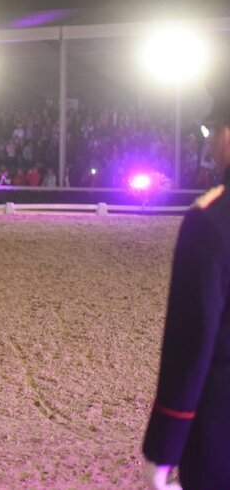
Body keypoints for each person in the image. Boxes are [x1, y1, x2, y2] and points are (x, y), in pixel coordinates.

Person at [142, 78, 230, 490]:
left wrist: (164, 447)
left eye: (212, 131)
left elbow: (191, 340)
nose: (210, 143)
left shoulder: (209, 221)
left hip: (219, 432)